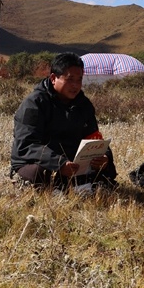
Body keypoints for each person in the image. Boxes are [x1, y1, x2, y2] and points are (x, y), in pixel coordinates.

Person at [11, 52, 116, 191]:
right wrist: (58, 163)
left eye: (79, 79)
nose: (75, 85)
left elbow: (94, 137)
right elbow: (27, 145)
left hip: (73, 164)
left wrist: (104, 157)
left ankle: (74, 186)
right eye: (70, 79)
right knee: (39, 173)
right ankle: (77, 186)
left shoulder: (84, 104)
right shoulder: (34, 104)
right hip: (42, 163)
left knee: (106, 168)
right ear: (54, 78)